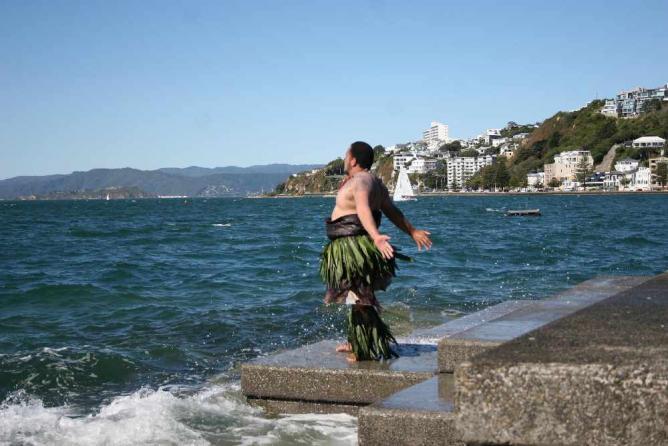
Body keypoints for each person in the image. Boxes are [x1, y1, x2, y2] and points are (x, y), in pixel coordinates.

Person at [319, 141, 432, 362]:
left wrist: (376, 237)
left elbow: (361, 208)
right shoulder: (374, 183)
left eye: (346, 154)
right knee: (357, 295)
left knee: (361, 297)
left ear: (352, 159)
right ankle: (357, 341)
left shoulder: (361, 180)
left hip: (354, 246)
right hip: (351, 245)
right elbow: (392, 211)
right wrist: (413, 231)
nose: (344, 158)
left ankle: (364, 349)